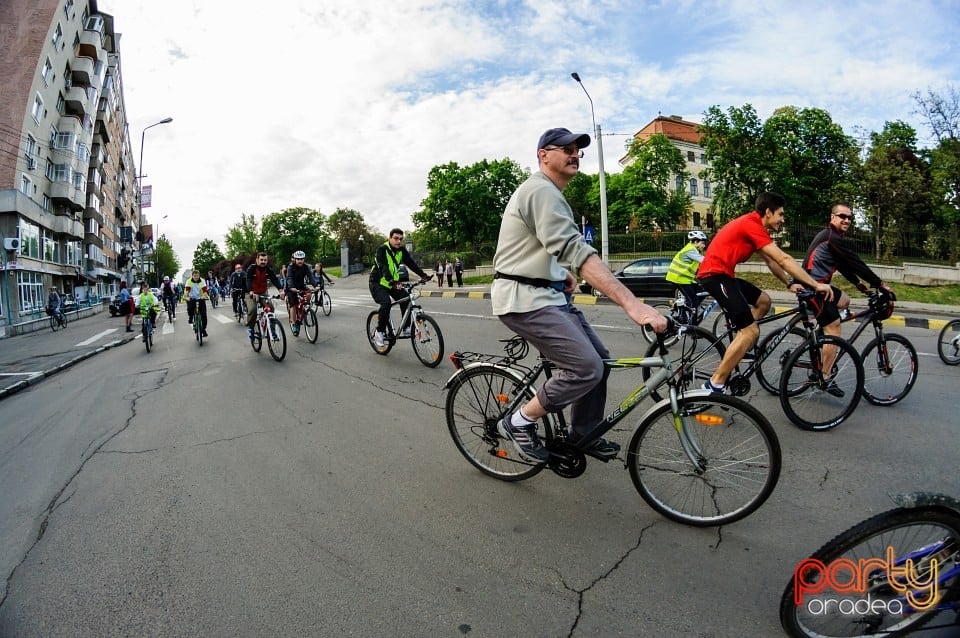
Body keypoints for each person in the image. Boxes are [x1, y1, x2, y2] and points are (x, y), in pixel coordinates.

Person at [491, 127, 667, 462]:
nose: (574, 154)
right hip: (524, 300)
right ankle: (519, 421)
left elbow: (547, 246)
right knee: (586, 367)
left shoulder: (550, 194)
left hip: (547, 296)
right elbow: (574, 247)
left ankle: (583, 434)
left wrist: (562, 276)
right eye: (566, 148)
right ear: (543, 154)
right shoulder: (540, 191)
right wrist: (632, 303)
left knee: (600, 362)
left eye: (577, 149)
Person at [697, 191, 834, 394]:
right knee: (751, 331)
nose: (782, 219)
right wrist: (816, 284)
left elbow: (771, 261)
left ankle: (741, 342)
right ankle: (715, 383)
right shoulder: (750, 224)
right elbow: (784, 259)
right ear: (768, 212)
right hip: (714, 276)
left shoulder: (755, 227)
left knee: (764, 302)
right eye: (780, 214)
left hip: (725, 275)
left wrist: (789, 283)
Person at [801, 203, 894, 386]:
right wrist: (880, 284)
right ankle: (824, 377)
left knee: (844, 301)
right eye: (842, 216)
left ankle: (821, 335)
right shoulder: (832, 238)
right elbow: (855, 262)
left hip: (821, 286)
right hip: (813, 288)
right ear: (832, 217)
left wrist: (859, 284)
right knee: (834, 328)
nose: (846, 220)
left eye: (850, 217)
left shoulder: (833, 237)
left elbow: (843, 265)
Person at [369, 228, 430, 347]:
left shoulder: (401, 251)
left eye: (400, 239)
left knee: (406, 298)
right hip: (377, 282)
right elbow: (383, 267)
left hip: (392, 283)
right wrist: (392, 281)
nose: (398, 241)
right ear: (389, 238)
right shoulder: (381, 250)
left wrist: (423, 275)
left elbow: (411, 264)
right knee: (385, 303)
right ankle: (379, 332)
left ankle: (406, 327)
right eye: (396, 238)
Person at [665, 230, 708, 318]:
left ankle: (685, 310)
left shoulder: (694, 250)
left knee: (702, 291)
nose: (704, 246)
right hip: (679, 278)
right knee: (694, 300)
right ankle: (691, 326)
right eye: (703, 243)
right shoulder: (690, 251)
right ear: (696, 242)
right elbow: (705, 261)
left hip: (686, 279)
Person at [245, 252, 283, 341]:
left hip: (262, 292)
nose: (263, 262)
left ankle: (272, 330)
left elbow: (274, 279)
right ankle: (251, 328)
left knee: (271, 308)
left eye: (265, 260)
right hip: (251, 293)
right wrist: (251, 291)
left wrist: (281, 290)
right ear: (257, 260)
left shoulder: (268, 269)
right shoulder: (252, 268)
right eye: (261, 260)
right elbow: (248, 279)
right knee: (252, 309)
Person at [284, 250, 316, 336]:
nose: (300, 261)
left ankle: (304, 309)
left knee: (309, 294)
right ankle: (294, 324)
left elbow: (311, 277)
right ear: (294, 259)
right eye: (298, 259)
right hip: (291, 288)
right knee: (293, 305)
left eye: (302, 259)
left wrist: (316, 285)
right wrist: (291, 287)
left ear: (304, 259)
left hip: (301, 286)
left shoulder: (306, 267)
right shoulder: (291, 267)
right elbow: (289, 277)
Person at [182, 270, 210, 338]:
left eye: (197, 276)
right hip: (191, 298)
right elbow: (187, 291)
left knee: (204, 316)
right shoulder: (189, 281)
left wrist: (204, 296)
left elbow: (205, 290)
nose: (196, 277)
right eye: (195, 276)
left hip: (200, 298)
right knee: (190, 309)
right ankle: (191, 317)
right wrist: (186, 297)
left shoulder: (202, 281)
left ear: (199, 275)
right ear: (192, 276)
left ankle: (203, 330)